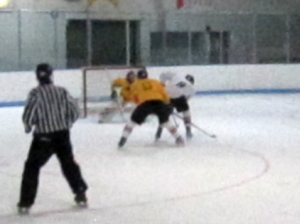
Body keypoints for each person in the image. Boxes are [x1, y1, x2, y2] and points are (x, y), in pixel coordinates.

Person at [17, 63, 88, 215]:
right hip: (62, 134)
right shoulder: (62, 91)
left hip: (43, 137)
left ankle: (25, 203)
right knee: (68, 163)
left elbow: (29, 114)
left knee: (32, 168)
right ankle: (80, 193)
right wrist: (67, 123)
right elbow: (75, 110)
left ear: (37, 76)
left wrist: (28, 127)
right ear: (51, 75)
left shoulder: (35, 93)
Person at [118, 69, 184, 148]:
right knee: (165, 122)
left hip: (145, 104)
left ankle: (123, 138)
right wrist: (167, 104)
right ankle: (178, 138)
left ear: (138, 77)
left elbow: (134, 97)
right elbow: (164, 93)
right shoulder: (155, 82)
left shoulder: (135, 84)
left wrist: (143, 108)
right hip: (159, 103)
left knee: (132, 121)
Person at [157, 71, 195, 139]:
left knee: (164, 116)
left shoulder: (178, 75)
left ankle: (158, 134)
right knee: (186, 111)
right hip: (176, 98)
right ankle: (188, 130)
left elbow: (163, 75)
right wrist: (179, 106)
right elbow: (187, 99)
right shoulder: (191, 88)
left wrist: (162, 85)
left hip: (166, 96)